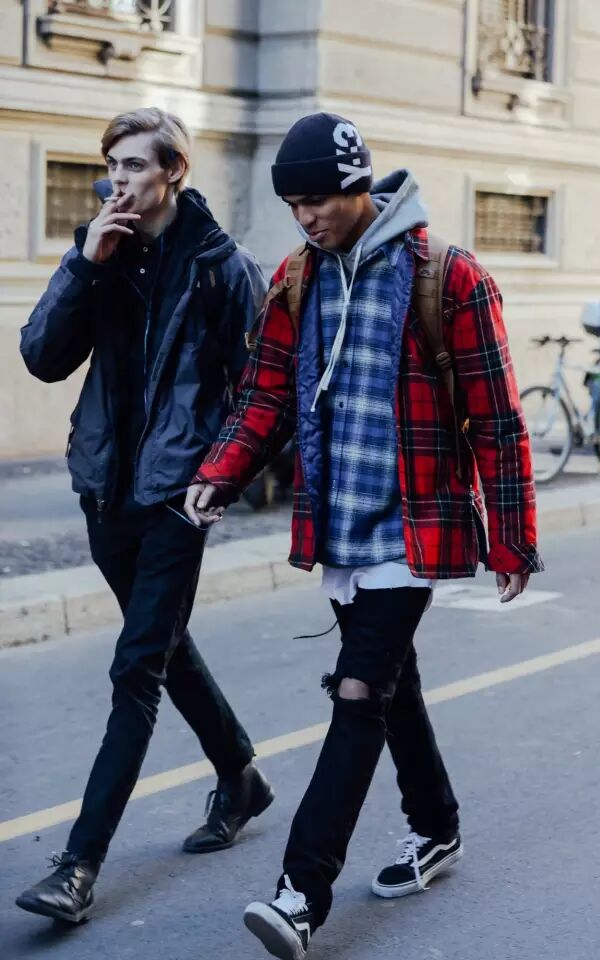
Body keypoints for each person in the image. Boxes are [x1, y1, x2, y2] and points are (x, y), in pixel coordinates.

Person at [185, 112, 544, 959]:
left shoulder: (448, 278)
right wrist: (221, 471)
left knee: (356, 693)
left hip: (414, 531)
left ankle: (299, 894)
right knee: (390, 685)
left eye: (317, 200)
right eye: (293, 205)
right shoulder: (296, 278)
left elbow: (497, 420)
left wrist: (512, 536)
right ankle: (438, 826)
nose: (305, 217)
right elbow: (267, 393)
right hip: (339, 526)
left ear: (358, 187)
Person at [17, 107, 272, 925]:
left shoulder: (223, 268)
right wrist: (83, 266)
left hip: (176, 498)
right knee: (161, 646)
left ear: (174, 172)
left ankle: (78, 866)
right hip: (106, 490)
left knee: (136, 671)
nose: (118, 180)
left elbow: (260, 393)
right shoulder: (102, 251)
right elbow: (41, 357)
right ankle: (240, 775)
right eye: (112, 165)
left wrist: (221, 479)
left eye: (134, 165)